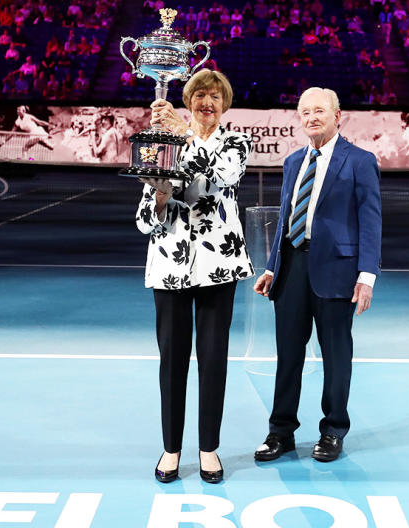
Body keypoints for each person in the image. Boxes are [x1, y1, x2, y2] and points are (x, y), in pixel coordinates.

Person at [134, 69, 253, 484]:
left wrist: (183, 133)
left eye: (214, 97)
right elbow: (145, 220)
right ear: (187, 100)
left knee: (213, 360)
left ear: (224, 105)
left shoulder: (236, 144)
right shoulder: (164, 144)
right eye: (199, 94)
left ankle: (208, 449)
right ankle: (171, 450)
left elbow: (219, 177)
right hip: (169, 265)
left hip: (218, 265)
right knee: (172, 362)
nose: (207, 102)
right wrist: (161, 196)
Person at [252, 87, 382, 463]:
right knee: (288, 356)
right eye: (305, 111)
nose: (312, 117)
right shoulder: (293, 162)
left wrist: (367, 276)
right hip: (291, 269)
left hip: (338, 273)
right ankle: (281, 433)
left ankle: (333, 431)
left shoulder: (359, 161)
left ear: (337, 115)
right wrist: (272, 267)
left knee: (336, 357)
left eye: (320, 111)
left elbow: (371, 222)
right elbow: (284, 221)